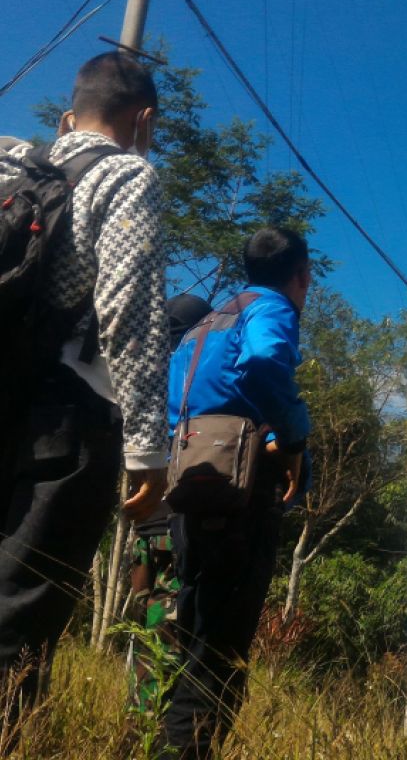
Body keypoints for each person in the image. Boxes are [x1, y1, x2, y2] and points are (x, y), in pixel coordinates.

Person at [0, 52, 168, 727]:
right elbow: (131, 310)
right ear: (145, 118)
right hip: (66, 424)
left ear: (71, 112)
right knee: (20, 615)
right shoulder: (128, 173)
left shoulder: (13, 166)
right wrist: (148, 449)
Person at [160, 227, 312, 759]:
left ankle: (164, 743)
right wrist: (291, 437)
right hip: (241, 498)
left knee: (193, 637)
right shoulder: (270, 308)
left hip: (189, 493)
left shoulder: (203, 323)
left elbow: (189, 405)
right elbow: (268, 359)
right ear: (302, 276)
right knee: (222, 652)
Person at [126, 294, 213, 719]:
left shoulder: (146, 379)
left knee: (151, 644)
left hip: (148, 535)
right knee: (174, 652)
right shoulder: (198, 375)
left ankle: (140, 729)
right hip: (183, 534)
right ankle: (153, 736)